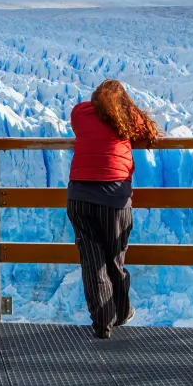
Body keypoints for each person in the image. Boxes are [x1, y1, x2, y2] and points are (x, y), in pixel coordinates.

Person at [66, 79, 160, 339]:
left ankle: (102, 323)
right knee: (115, 259)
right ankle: (121, 312)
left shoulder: (80, 113)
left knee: (92, 262)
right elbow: (146, 131)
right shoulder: (127, 119)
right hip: (114, 199)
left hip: (80, 198)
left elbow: (78, 120)